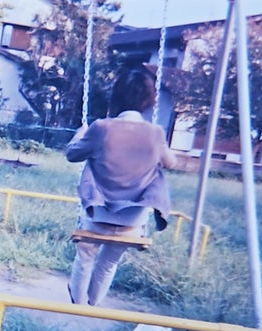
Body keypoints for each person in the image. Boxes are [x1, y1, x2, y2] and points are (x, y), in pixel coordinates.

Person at [64, 67, 177, 306]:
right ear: (148, 101)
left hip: (98, 213)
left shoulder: (101, 128)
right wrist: (157, 149)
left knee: (86, 255)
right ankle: (93, 306)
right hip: (133, 219)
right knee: (109, 261)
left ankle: (78, 305)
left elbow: (72, 155)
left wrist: (80, 135)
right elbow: (170, 163)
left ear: (115, 96)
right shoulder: (155, 133)